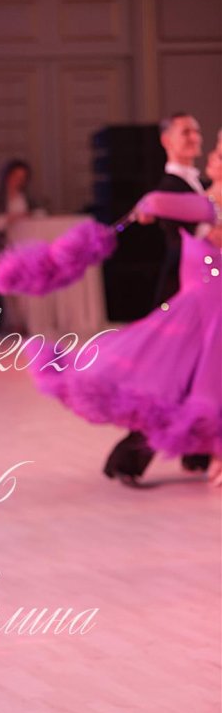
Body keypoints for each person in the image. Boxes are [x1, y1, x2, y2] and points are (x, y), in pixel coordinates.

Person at [32, 186, 221, 483]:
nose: (212, 164)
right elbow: (162, 204)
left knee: (186, 387)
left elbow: (160, 203)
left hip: (206, 310)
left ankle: (195, 456)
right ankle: (140, 460)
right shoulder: (204, 199)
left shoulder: (207, 202)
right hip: (198, 310)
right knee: (171, 385)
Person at [103, 113, 212, 481]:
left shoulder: (203, 184)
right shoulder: (166, 188)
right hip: (182, 292)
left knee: (200, 376)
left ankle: (197, 453)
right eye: (185, 131)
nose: (194, 137)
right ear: (166, 141)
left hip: (206, 292)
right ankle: (127, 460)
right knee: (169, 381)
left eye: (196, 131)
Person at [0, 159, 40, 255]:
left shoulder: (26, 197)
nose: (18, 181)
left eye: (22, 178)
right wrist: (12, 217)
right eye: (15, 176)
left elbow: (38, 214)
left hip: (25, 238)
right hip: (2, 243)